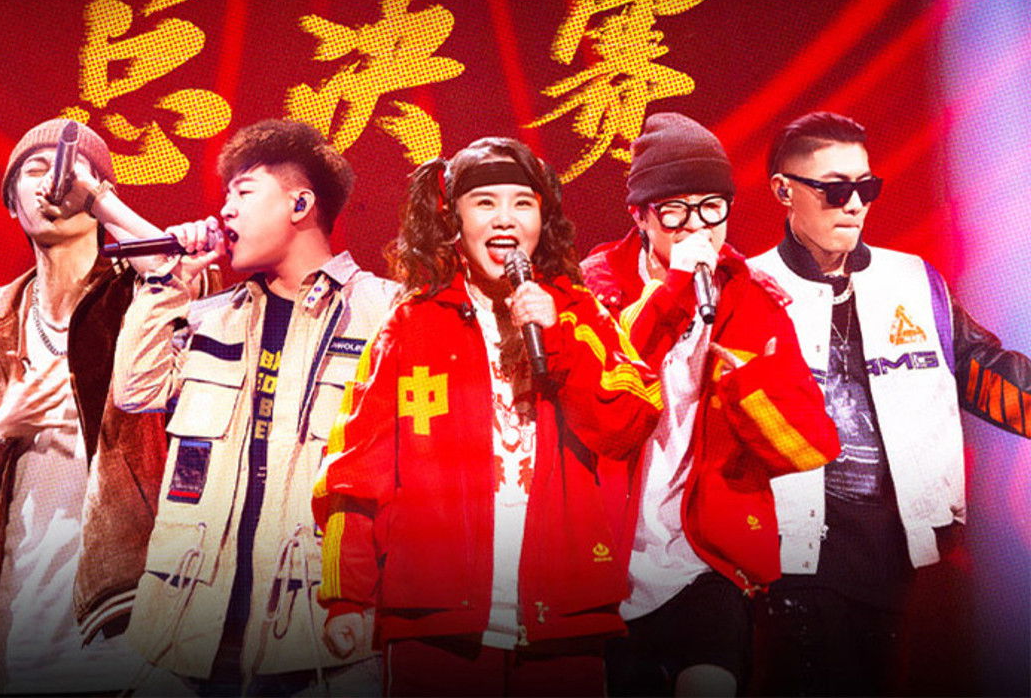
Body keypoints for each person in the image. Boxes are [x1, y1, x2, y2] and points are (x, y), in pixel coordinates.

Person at [312, 136, 665, 696]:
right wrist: (346, 597)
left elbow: (629, 421)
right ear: (453, 219)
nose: (505, 219)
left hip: (563, 616)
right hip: (435, 618)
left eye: (523, 203)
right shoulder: (410, 324)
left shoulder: (581, 313)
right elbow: (357, 468)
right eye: (485, 203)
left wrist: (561, 338)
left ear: (543, 220)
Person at [748, 111, 1031, 695]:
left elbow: (984, 373)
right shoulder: (747, 290)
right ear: (783, 190)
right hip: (787, 558)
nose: (854, 205)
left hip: (901, 552)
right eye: (834, 190)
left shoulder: (913, 281)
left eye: (866, 188)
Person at [112, 119, 396, 696]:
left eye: (243, 192)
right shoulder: (209, 317)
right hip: (191, 623)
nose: (225, 211)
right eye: (226, 196)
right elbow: (135, 390)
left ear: (300, 204)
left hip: (316, 634)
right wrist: (169, 280)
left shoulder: (384, 315)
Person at [579, 112, 840, 697]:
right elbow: (603, 408)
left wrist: (749, 386)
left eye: (712, 207)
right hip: (606, 557)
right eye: (675, 210)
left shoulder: (754, 300)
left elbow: (812, 446)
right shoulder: (596, 289)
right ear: (640, 215)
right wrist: (672, 289)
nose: (697, 226)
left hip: (707, 555)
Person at [0, 118, 184, 694]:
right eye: (35, 171)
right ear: (11, 204)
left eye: (73, 173)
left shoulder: (142, 293)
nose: (54, 184)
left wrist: (101, 199)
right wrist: (1, 428)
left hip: (126, 595)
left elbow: (186, 276)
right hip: (17, 597)